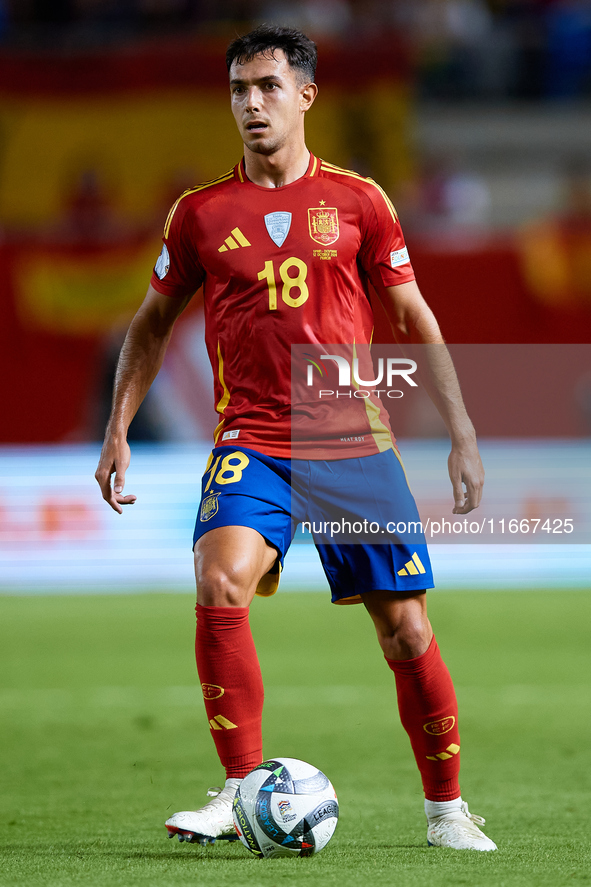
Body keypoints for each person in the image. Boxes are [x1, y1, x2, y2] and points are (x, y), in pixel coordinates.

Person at [95, 25, 496, 852]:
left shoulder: (357, 201)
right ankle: (241, 787)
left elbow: (413, 316)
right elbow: (149, 325)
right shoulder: (200, 214)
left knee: (407, 632)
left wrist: (460, 431)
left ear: (305, 96)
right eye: (239, 90)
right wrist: (117, 428)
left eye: (267, 88)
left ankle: (446, 809)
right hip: (252, 438)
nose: (251, 104)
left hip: (351, 439)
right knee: (218, 582)